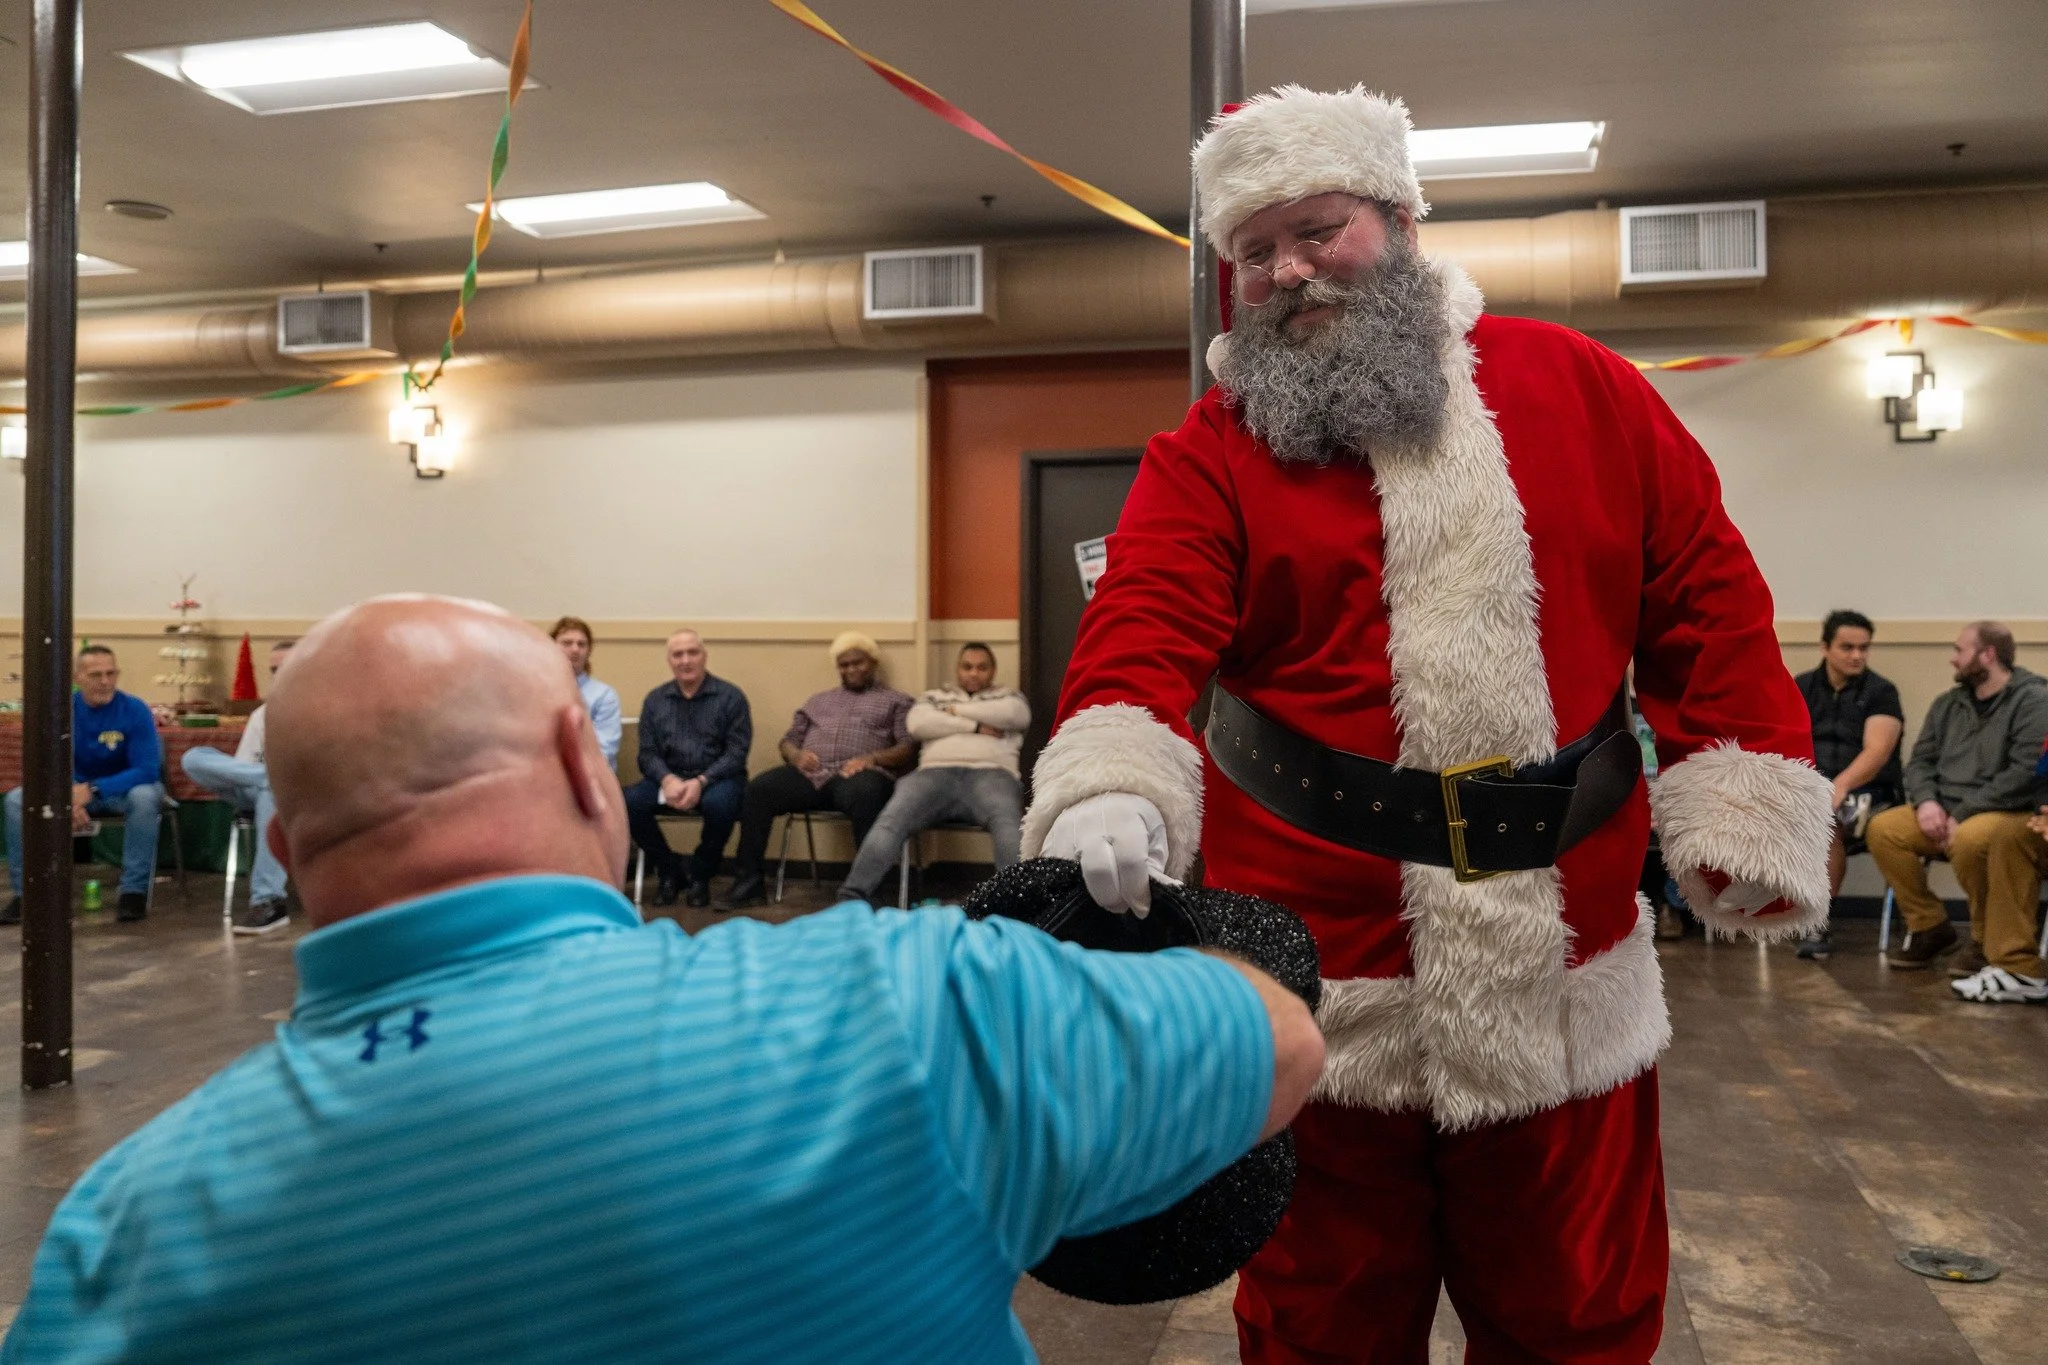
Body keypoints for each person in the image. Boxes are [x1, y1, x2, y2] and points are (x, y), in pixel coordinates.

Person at [1020, 85, 1831, 1362]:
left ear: (1397, 219)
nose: (1287, 269)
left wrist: (1741, 798)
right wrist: (1113, 764)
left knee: (1577, 1319)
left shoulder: (1583, 387)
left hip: (1568, 960)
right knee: (1317, 1325)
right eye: (1253, 251)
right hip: (1319, 978)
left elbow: (1705, 592)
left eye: (1316, 227)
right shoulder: (1213, 448)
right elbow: (1146, 613)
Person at [0, 594, 1323, 1364]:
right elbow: (1276, 1040)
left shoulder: (121, 1234)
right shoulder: (904, 1010)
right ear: (589, 770)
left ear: (281, 844)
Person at [1866, 621, 2048, 999]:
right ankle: (1930, 925)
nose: (1952, 659)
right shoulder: (1947, 703)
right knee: (1884, 829)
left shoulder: (2033, 700)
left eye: (1959, 650)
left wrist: (1962, 812)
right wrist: (1927, 802)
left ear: (1988, 655)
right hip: (1944, 806)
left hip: (2002, 809)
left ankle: (1983, 941)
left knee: (1972, 838)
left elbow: (2024, 772)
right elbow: (1920, 762)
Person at [721, 632, 913, 909]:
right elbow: (787, 741)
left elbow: (907, 747)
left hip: (857, 776)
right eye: (844, 665)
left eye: (857, 663)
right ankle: (748, 884)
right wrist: (795, 755)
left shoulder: (896, 701)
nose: (850, 670)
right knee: (759, 790)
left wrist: (873, 758)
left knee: (867, 793)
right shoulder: (817, 701)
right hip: (811, 775)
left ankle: (868, 891)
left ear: (872, 663)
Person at [837, 643, 1030, 905]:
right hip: (932, 775)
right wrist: (975, 726)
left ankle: (1018, 905)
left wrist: (954, 712)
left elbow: (1015, 716)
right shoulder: (934, 696)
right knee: (891, 820)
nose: (973, 673)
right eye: (967, 667)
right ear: (958, 670)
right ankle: (852, 898)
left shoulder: (1009, 696)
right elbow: (918, 724)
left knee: (1009, 825)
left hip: (993, 775)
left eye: (981, 668)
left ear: (993, 671)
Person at [4, 645, 169, 925]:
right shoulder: (59, 711)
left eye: (110, 673)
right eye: (95, 675)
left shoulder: (135, 709)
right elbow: (48, 764)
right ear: (77, 677)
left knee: (145, 796)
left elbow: (146, 770)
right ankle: (28, 894)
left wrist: (91, 790)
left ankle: (133, 891)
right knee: (16, 800)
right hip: (74, 789)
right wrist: (69, 796)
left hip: (120, 791)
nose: (105, 681)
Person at [1789, 610, 1905, 960]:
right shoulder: (1802, 686)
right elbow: (1788, 743)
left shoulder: (1881, 692)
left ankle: (1817, 920)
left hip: (1869, 795)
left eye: (1863, 648)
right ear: (1825, 647)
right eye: (1847, 647)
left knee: (1830, 820)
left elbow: (1878, 751)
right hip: (1810, 790)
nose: (1857, 655)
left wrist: (1838, 785)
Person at [622, 629, 751, 908]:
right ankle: (670, 870)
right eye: (677, 654)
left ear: (704, 656)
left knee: (721, 805)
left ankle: (701, 873)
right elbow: (647, 754)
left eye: (692, 652)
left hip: (718, 779)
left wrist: (701, 781)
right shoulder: (655, 700)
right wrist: (667, 779)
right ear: (669, 660)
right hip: (668, 777)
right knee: (627, 802)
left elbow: (736, 753)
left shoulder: (730, 697)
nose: (685, 660)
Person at [181, 639, 297, 935]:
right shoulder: (262, 715)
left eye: (286, 668)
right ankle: (273, 780)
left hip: (304, 797)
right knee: (193, 757)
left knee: (272, 792)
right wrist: (268, 776)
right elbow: (242, 768)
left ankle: (269, 901)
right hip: (257, 785)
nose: (278, 676)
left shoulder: (325, 711)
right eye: (273, 670)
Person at [550, 616, 621, 767]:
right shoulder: (537, 692)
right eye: (567, 643)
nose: (575, 649)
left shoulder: (604, 696)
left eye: (581, 644)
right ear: (551, 646)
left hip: (589, 778)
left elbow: (604, 751)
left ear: (588, 651)